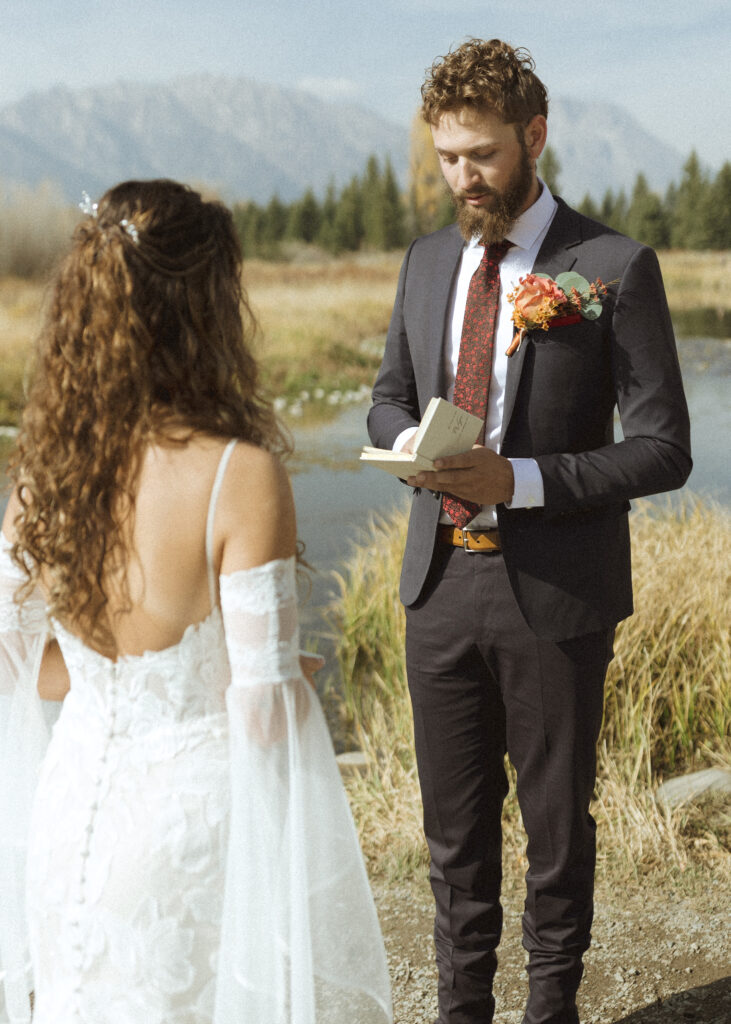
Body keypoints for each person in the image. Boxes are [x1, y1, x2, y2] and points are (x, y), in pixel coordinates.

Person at [0, 179, 392, 1024]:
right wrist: (291, 680)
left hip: (69, 815)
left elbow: (23, 666)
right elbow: (261, 710)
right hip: (185, 832)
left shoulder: (45, 470)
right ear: (205, 307)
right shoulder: (235, 474)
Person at [368, 39, 691, 1024]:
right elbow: (384, 401)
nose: (461, 178)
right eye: (445, 159)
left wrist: (520, 480)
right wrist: (411, 443)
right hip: (436, 589)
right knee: (449, 840)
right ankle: (460, 1011)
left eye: (481, 156)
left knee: (554, 835)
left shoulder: (610, 266)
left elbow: (663, 448)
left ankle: (550, 1011)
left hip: (552, 593)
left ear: (533, 136)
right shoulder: (426, 262)